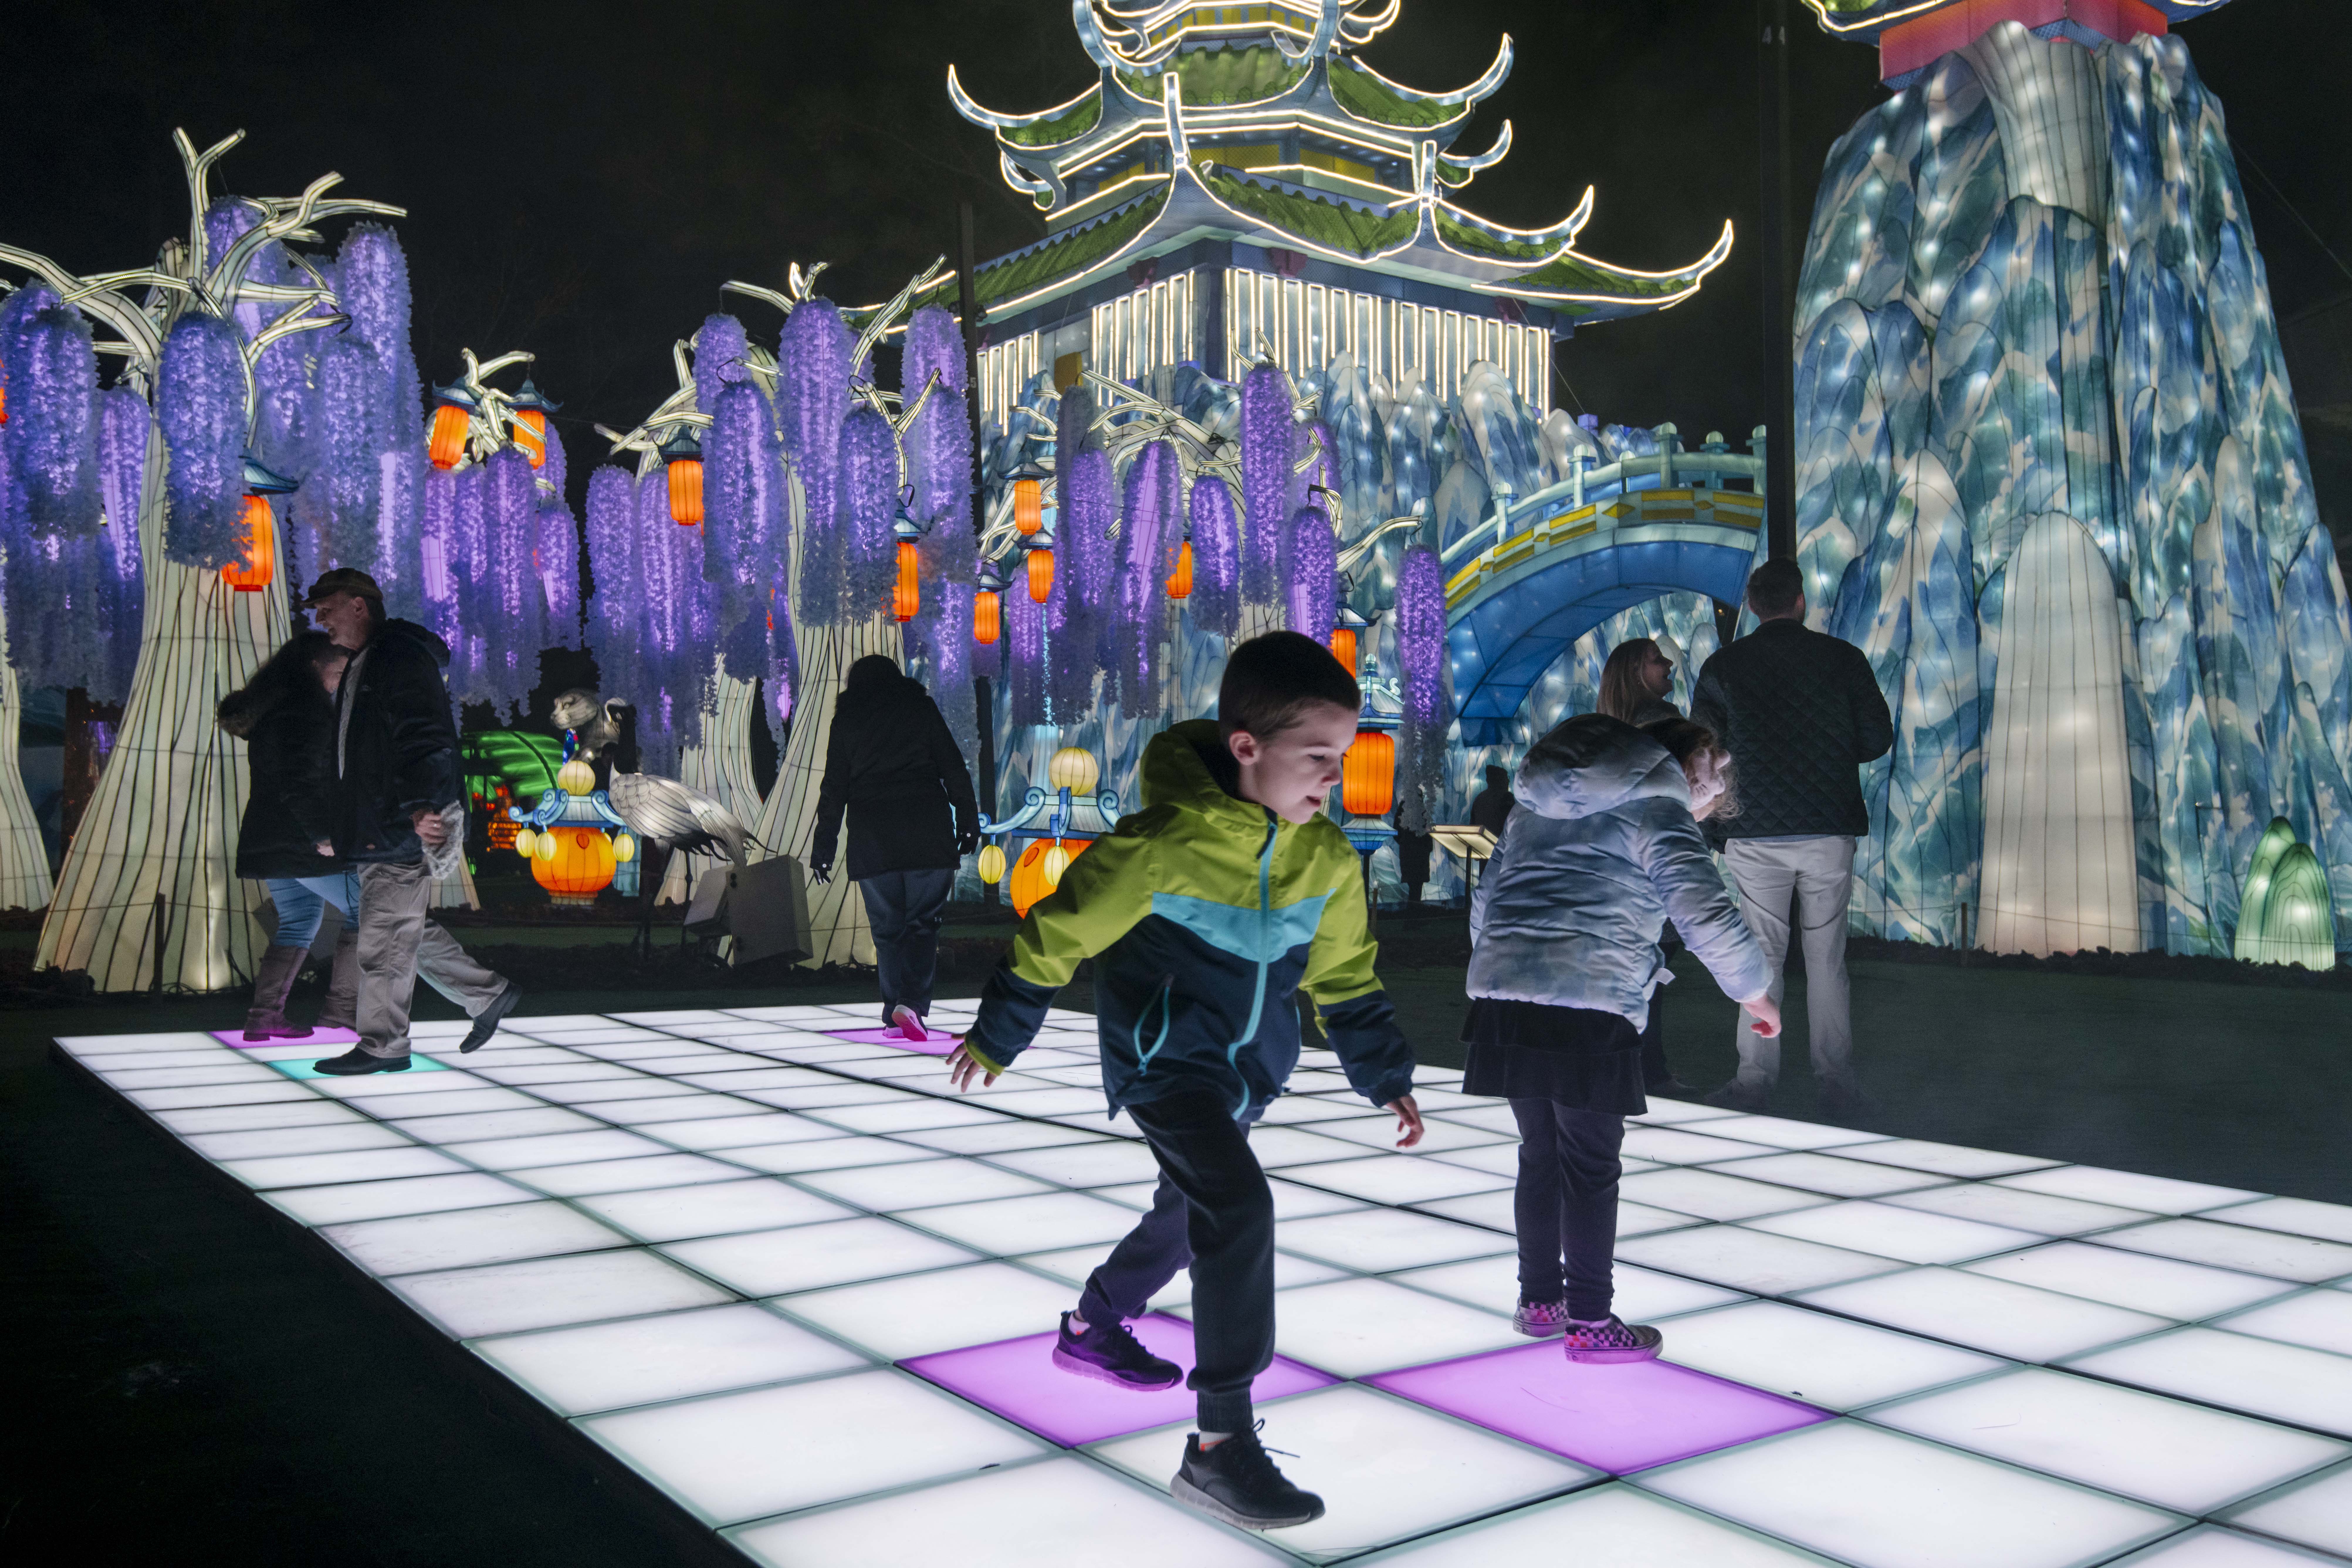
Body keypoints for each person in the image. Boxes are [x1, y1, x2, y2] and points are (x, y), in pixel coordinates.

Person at [946, 632, 1422, 1532]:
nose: (1334, 777)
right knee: (1237, 1208)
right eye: (1315, 757)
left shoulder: (1326, 860)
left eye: (1343, 757)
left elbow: (1346, 974)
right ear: (1246, 747)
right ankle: (1216, 1445)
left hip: (1249, 1078)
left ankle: (1092, 1327)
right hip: (1165, 1066)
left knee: (1188, 1210)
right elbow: (1061, 931)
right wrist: (1000, 1032)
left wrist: (1384, 1073)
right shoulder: (1162, 846)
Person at [1465, 713, 1779, 1359]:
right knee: (1589, 1167)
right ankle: (1588, 1320)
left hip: (1506, 998)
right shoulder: (1654, 809)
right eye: (1713, 778)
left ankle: (1539, 1300)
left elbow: (1488, 896)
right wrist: (1753, 990)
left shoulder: (1531, 805)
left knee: (1540, 1155)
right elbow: (1702, 909)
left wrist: (1501, 968)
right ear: (1690, 768)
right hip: (1590, 1000)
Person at [1689, 559, 1893, 1117]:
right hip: (1827, 822)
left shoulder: (1723, 666)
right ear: (1801, 602)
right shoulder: (1842, 659)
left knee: (1762, 954)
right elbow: (1878, 735)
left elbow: (1703, 750)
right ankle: (1835, 1078)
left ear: (1753, 606)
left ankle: (1755, 1078)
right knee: (1827, 957)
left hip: (1753, 828)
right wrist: (1828, 754)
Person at [304, 569, 517, 1075]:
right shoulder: (377, 659)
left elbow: (426, 733)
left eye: (327, 607)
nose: (320, 619)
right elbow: (363, 759)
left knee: (384, 942)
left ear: (359, 606)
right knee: (399, 934)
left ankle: (383, 1044)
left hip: (396, 828)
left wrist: (426, 802)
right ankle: (486, 996)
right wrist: (346, 823)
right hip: (386, 824)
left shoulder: (396, 656)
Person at [809, 655, 980, 1040]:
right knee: (922, 924)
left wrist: (824, 847)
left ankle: (893, 1012)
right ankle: (911, 1005)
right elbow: (952, 766)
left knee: (887, 930)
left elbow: (833, 789)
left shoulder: (848, 719)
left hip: (873, 837)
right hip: (926, 829)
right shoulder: (919, 707)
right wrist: (968, 820)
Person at [219, 632, 354, 1039]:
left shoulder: (273, 709)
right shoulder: (305, 711)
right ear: (316, 664)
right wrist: (324, 833)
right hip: (301, 841)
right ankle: (341, 1012)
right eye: (340, 670)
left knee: (300, 920)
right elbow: (300, 782)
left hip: (270, 838)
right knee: (371, 908)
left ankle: (264, 1016)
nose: (341, 680)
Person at [1595, 636, 1701, 1100]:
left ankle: (1631, 1069)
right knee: (1651, 974)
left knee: (1630, 976)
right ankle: (1648, 1073)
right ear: (1635, 673)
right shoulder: (1665, 725)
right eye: (1656, 659)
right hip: (1656, 864)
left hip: (1616, 865)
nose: (1668, 663)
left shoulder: (1605, 730)